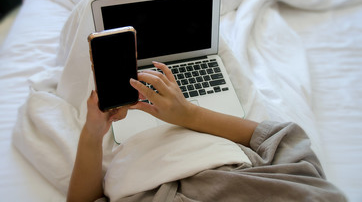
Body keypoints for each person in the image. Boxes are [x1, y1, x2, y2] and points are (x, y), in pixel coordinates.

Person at [67, 62, 346, 202]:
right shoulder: (313, 195)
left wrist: (93, 132)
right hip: (208, 140)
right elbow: (282, 138)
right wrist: (188, 113)